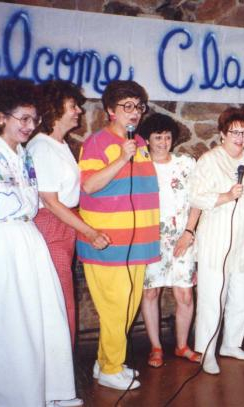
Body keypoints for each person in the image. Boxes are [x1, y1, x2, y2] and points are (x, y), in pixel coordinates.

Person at [0, 78, 82, 406]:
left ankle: (51, 391)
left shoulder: (25, 155)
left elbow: (30, 201)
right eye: (23, 119)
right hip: (0, 244)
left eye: (34, 119)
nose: (30, 126)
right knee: (12, 322)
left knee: (44, 315)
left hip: (29, 240)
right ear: (2, 117)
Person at [77, 80, 159, 391]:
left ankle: (106, 362)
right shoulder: (96, 143)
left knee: (127, 307)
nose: (134, 113)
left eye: (138, 107)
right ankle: (111, 367)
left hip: (138, 244)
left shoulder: (139, 141)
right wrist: (122, 158)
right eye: (127, 106)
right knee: (114, 308)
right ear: (110, 110)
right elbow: (89, 185)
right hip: (108, 243)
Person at [28, 80, 111, 347]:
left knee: (63, 300)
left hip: (62, 225)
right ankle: (57, 379)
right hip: (51, 226)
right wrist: (89, 231)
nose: (78, 111)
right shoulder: (41, 147)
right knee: (57, 301)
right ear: (55, 108)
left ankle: (62, 374)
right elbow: (51, 202)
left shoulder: (58, 144)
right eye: (73, 106)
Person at [188, 107, 244, 375]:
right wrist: (226, 196)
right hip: (215, 239)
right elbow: (196, 197)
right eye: (235, 132)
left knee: (242, 297)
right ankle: (206, 351)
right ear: (222, 134)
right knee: (212, 298)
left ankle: (231, 344)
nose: (240, 137)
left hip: (243, 241)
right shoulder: (209, 160)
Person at [139, 113, 201, 368]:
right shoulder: (139, 164)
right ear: (148, 140)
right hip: (149, 238)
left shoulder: (186, 163)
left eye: (167, 137)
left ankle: (182, 345)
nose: (164, 142)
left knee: (185, 294)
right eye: (158, 137)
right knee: (151, 291)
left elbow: (197, 200)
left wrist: (189, 232)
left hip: (182, 238)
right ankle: (155, 346)